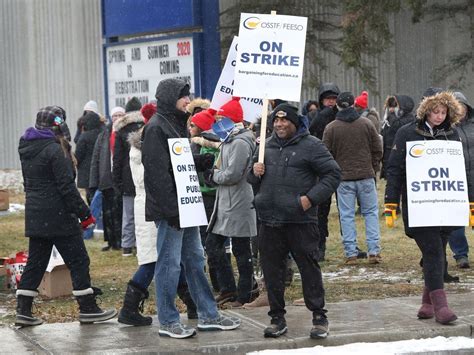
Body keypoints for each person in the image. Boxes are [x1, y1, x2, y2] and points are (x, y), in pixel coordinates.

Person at [141, 78, 240, 339]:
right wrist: (170, 210)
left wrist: (199, 161)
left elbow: (178, 162)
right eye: (183, 96)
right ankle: (168, 320)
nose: (188, 100)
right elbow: (158, 174)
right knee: (169, 264)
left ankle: (208, 314)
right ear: (169, 98)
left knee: (196, 260)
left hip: (187, 205)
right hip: (171, 210)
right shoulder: (155, 128)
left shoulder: (178, 124)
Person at [16, 106, 117, 327]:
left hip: (36, 214)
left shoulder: (26, 146)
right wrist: (85, 215)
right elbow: (66, 188)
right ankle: (88, 308)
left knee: (36, 262)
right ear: (58, 126)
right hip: (59, 216)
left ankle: (22, 309)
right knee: (79, 260)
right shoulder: (54, 150)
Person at [248, 103, 341, 339]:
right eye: (275, 121)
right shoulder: (265, 147)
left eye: (284, 121)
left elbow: (333, 174)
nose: (279, 125)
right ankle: (277, 318)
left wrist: (310, 199)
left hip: (300, 221)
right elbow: (252, 180)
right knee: (272, 272)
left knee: (308, 269)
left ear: (295, 122)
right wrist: (254, 172)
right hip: (269, 220)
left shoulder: (311, 146)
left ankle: (319, 316)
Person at [384, 91, 464, 324]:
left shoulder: (452, 134)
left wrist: (468, 200)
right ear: (425, 111)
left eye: (443, 112)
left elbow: (460, 169)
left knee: (437, 251)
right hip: (420, 205)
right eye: (435, 112)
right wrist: (391, 202)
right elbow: (395, 169)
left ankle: (427, 304)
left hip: (446, 205)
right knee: (433, 252)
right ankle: (441, 307)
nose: (439, 117)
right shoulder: (407, 132)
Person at [205, 97, 257, 308]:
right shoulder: (229, 140)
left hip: (239, 202)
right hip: (227, 202)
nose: (218, 121)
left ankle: (244, 293)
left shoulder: (240, 143)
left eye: (222, 117)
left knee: (241, 249)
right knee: (215, 245)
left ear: (233, 119)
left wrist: (214, 176)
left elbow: (233, 174)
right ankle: (229, 289)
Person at [323, 92, 383, 265]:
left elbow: (326, 154)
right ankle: (374, 251)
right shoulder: (366, 124)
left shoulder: (331, 128)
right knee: (371, 213)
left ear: (338, 106)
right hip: (365, 175)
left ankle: (351, 253)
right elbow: (377, 148)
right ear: (354, 104)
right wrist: (373, 166)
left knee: (346, 215)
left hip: (343, 178)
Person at [307, 83, 346, 262]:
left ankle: (350, 245)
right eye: (327, 99)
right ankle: (319, 244)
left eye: (333, 99)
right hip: (320, 169)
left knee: (345, 210)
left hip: (343, 167)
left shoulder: (344, 116)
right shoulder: (316, 116)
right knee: (321, 210)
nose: (331, 102)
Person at [89, 106, 124, 251]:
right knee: (108, 212)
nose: (117, 118)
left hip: (121, 179)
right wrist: (94, 182)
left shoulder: (126, 133)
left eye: (120, 115)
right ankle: (111, 241)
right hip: (106, 177)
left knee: (121, 212)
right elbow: (96, 158)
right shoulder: (104, 134)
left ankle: (122, 241)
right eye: (115, 115)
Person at [113, 97, 144, 256]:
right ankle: (141, 244)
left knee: (129, 213)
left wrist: (116, 180)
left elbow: (117, 158)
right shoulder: (147, 126)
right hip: (145, 174)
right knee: (144, 213)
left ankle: (126, 245)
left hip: (127, 177)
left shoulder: (121, 130)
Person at [449, 91, 472, 269]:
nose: (460, 110)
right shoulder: (447, 128)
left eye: (461, 107)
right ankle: (460, 254)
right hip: (456, 180)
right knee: (456, 219)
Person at [380, 94, 415, 179]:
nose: (391, 109)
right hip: (390, 156)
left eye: (395, 106)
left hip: (401, 160)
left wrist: (391, 116)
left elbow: (396, 126)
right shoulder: (389, 120)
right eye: (390, 106)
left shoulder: (408, 119)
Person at [75, 111, 103, 205]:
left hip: (87, 172)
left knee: (91, 197)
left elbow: (78, 156)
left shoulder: (84, 137)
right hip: (101, 170)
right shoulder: (103, 134)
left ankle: (94, 216)